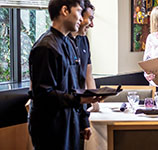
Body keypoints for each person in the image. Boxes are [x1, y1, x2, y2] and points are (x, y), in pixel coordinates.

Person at [28, 0, 103, 149]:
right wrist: (80, 99)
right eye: (78, 12)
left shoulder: (70, 44)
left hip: (72, 123)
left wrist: (84, 122)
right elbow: (43, 95)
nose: (81, 19)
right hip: (51, 127)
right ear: (64, 11)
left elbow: (77, 86)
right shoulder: (45, 47)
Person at [68, 0, 97, 149]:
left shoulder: (83, 40)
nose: (91, 24)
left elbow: (88, 76)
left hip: (79, 111)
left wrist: (95, 104)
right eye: (90, 18)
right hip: (64, 116)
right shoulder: (55, 45)